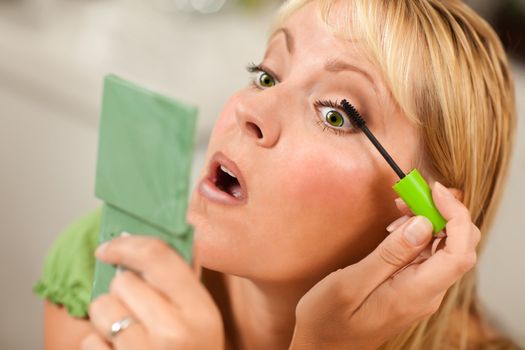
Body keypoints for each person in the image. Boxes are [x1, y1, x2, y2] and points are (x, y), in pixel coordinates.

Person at [34, 0, 518, 349]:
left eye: (335, 115)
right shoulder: (109, 261)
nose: (250, 106)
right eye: (267, 75)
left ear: (423, 218)